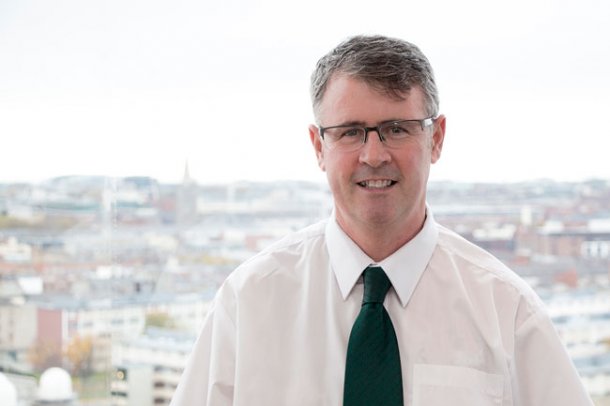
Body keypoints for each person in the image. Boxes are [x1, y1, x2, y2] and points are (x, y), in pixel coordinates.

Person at [170, 35, 593, 406]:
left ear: (436, 138)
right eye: (350, 132)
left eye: (397, 128)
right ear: (319, 145)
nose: (373, 155)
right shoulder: (249, 303)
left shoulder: (508, 313)